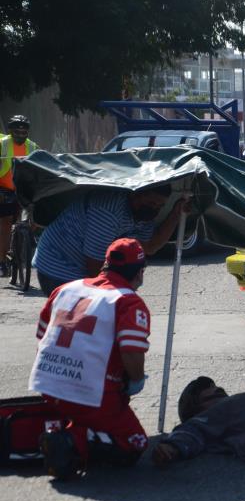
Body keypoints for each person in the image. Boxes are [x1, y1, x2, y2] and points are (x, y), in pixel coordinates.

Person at [29, 238, 152, 479]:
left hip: (47, 385)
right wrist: (136, 380)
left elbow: (43, 336)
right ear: (139, 273)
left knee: (91, 409)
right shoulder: (128, 302)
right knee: (135, 443)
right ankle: (70, 440)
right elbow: (131, 352)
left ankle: (70, 428)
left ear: (106, 265)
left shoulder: (65, 289)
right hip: (91, 395)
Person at [33, 184, 187, 296]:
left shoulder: (143, 215)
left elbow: (150, 246)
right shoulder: (108, 212)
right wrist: (119, 295)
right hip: (58, 267)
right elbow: (95, 267)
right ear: (135, 194)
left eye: (160, 206)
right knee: (83, 325)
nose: (155, 209)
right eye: (151, 203)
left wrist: (175, 214)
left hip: (83, 269)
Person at [0, 115, 38, 277]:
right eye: (17, 132)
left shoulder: (33, 147)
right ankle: (1, 261)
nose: (21, 135)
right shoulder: (3, 145)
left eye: (24, 132)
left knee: (34, 217)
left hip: (23, 189)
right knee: (6, 222)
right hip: (4, 189)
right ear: (11, 132)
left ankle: (25, 242)